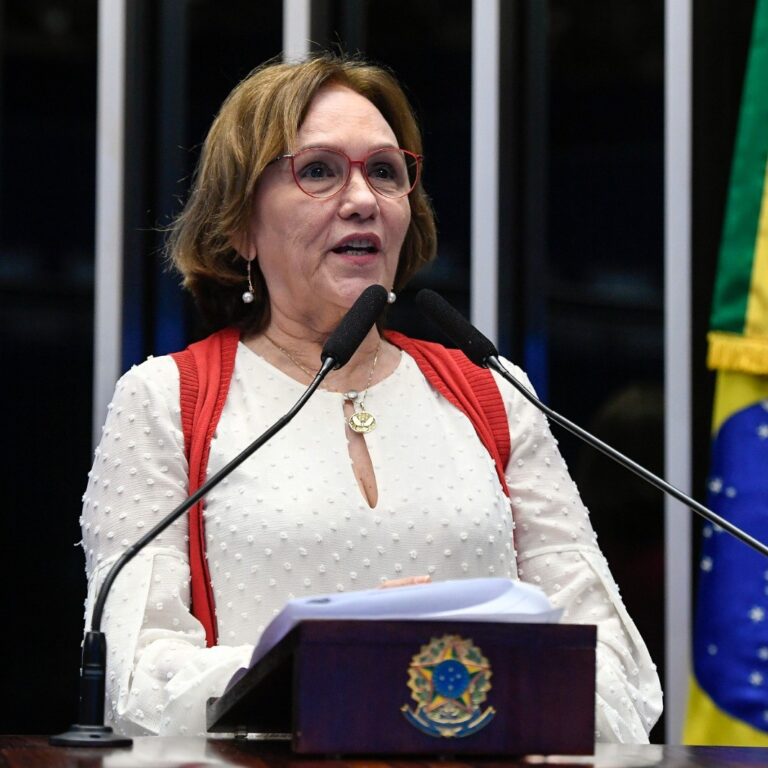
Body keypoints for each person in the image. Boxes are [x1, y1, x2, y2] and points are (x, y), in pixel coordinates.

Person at [80, 53, 662, 741]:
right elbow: (132, 675)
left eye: (384, 172)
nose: (362, 198)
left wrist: (458, 691)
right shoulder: (168, 400)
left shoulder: (491, 392)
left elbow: (612, 666)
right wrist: (347, 664)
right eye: (319, 170)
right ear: (239, 225)